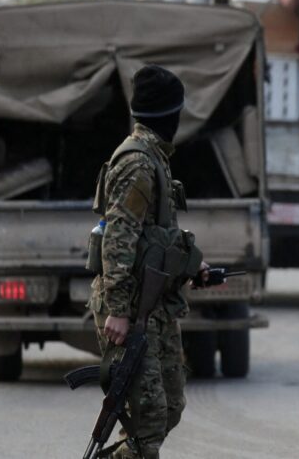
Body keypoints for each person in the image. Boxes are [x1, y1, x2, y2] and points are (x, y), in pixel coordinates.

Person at [88, 65, 209, 459]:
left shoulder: (156, 158)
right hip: (132, 310)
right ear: (169, 114)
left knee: (169, 407)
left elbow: (156, 239)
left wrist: (194, 268)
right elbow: (118, 239)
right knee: (149, 421)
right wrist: (120, 311)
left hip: (153, 305)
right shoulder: (138, 163)